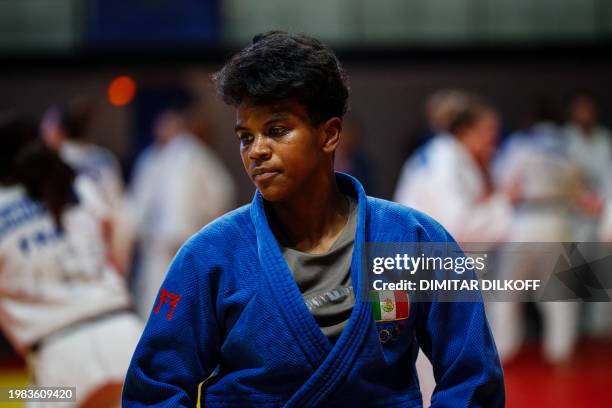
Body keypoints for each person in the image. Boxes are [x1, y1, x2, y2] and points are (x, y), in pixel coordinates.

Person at [123, 31, 504, 407]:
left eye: (276, 131)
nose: (256, 151)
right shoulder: (209, 257)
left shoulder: (415, 239)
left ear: (330, 134)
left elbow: (472, 379)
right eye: (245, 136)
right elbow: (154, 390)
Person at [0, 112, 142, 408]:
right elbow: (115, 244)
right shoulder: (77, 186)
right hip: (126, 336)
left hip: (60, 359)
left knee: (15, 395)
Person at [128, 98, 236, 318]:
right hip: (159, 245)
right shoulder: (152, 158)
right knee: (156, 303)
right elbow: (138, 204)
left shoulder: (193, 153)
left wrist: (207, 228)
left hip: (186, 241)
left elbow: (221, 191)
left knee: (186, 303)